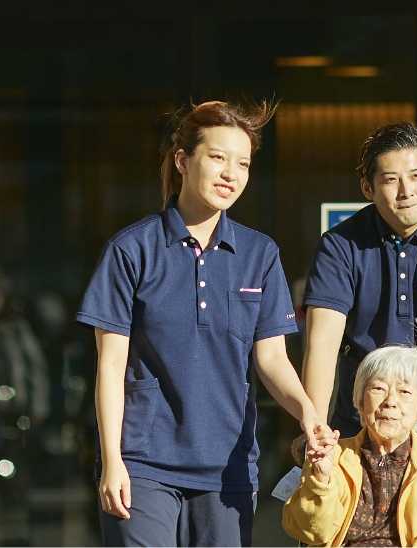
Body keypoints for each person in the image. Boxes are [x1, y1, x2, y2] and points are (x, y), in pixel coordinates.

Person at [76, 100, 328, 547]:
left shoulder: (260, 254)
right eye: (218, 157)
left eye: (243, 163)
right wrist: (112, 460)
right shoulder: (131, 250)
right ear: (182, 160)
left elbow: (272, 359)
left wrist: (308, 413)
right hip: (143, 465)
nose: (231, 173)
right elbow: (110, 365)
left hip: (228, 467)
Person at [293, 122, 417, 499]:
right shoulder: (339, 245)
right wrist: (316, 429)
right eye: (390, 180)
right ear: (367, 188)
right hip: (359, 431)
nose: (406, 191)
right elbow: (322, 344)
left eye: (416, 176)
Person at [283, 345, 417, 547]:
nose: (390, 401)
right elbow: (309, 532)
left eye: (404, 391)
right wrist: (321, 479)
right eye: (378, 389)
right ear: (361, 402)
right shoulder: (332, 455)